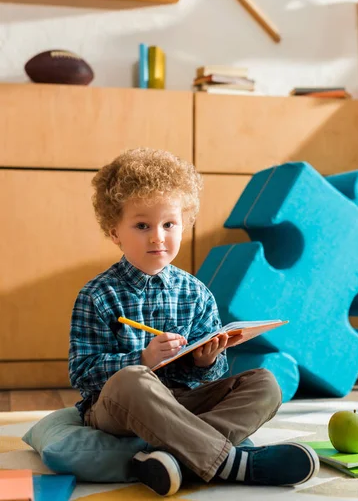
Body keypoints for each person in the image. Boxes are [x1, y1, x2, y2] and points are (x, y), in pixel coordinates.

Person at [69, 147, 319, 497]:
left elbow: (213, 379)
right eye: (142, 225)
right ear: (114, 232)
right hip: (119, 409)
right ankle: (235, 464)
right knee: (133, 380)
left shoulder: (196, 293)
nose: (158, 236)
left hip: (185, 402)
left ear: (184, 223)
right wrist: (142, 360)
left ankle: (173, 459)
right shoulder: (97, 295)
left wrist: (206, 361)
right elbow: (81, 372)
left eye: (169, 224)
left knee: (266, 383)